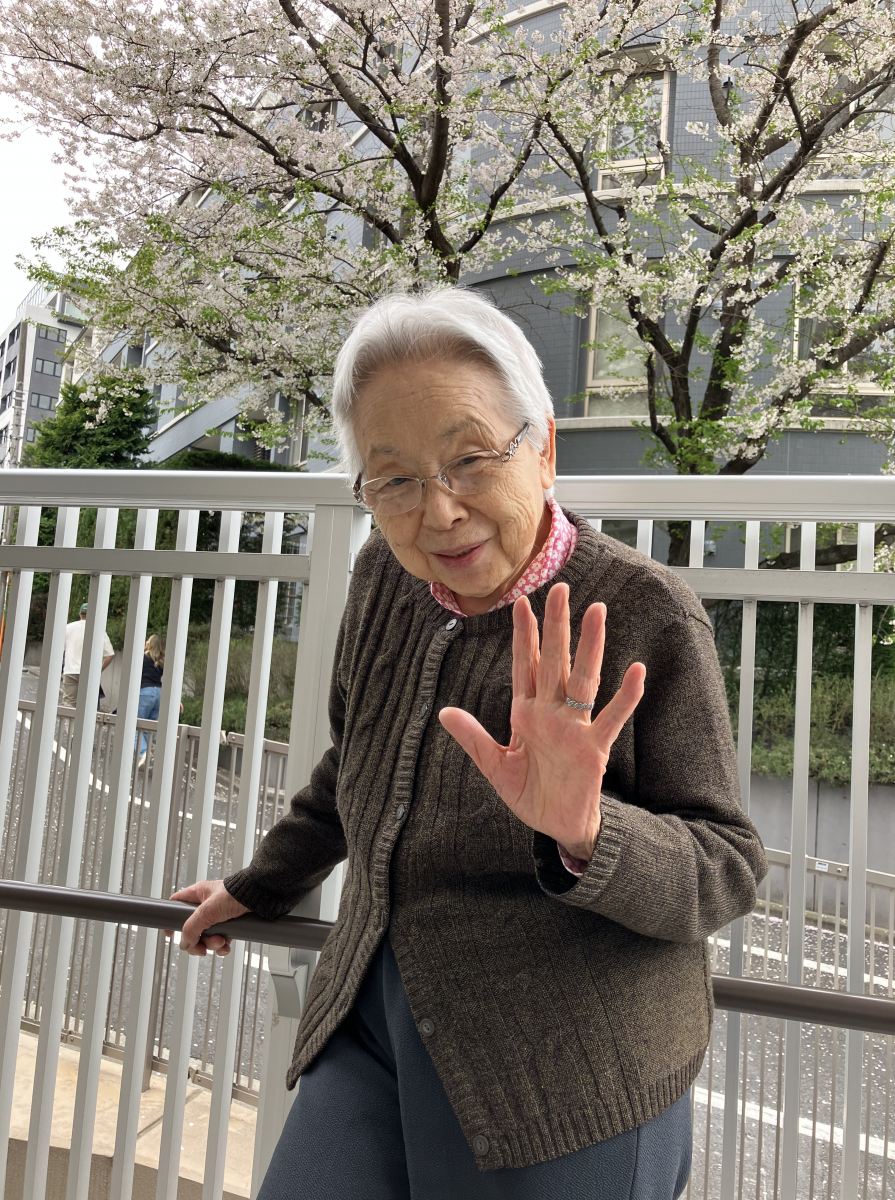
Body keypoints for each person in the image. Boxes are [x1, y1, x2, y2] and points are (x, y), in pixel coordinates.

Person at [169, 287, 768, 1200]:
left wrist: (586, 831)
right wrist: (259, 885)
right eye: (395, 479)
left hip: (566, 1068)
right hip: (376, 1013)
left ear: (544, 449)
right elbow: (356, 764)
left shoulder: (645, 612)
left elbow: (725, 868)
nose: (439, 511)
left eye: (470, 459)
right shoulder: (383, 574)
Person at [61, 602, 113, 710]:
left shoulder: (68, 628)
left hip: (70, 671)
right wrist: (99, 670)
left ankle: (70, 721)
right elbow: (110, 654)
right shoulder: (98, 630)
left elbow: (61, 648)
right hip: (90, 673)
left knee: (69, 705)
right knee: (88, 707)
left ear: (80, 614)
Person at [137, 633, 165, 766]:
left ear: (150, 644)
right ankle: (144, 755)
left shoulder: (142, 658)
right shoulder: (161, 662)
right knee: (149, 727)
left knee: (134, 725)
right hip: (158, 694)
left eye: (147, 640)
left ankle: (143, 753)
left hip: (145, 692)